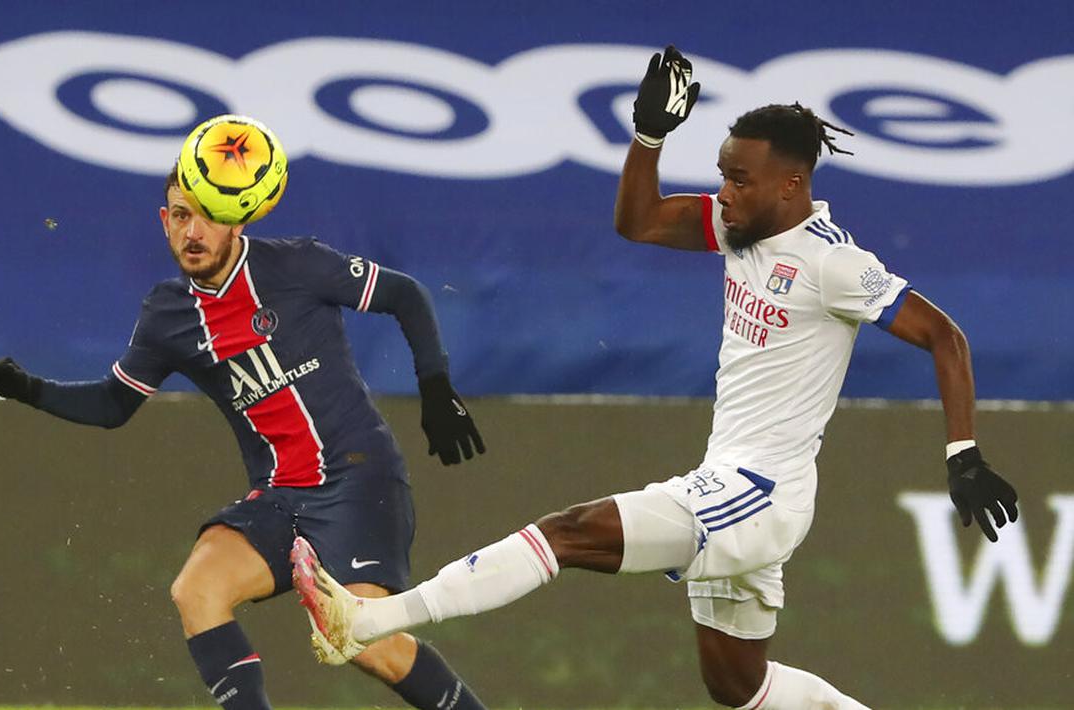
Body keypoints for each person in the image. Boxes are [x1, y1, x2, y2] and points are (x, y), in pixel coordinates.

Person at [289, 46, 1020, 709]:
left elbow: (943, 336)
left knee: (568, 533)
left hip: (759, 494)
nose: (724, 192)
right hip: (730, 478)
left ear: (791, 183)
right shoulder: (741, 228)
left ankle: (367, 620)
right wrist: (647, 136)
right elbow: (637, 221)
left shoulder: (834, 263)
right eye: (721, 175)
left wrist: (963, 455)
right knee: (738, 687)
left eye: (739, 178)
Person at [0, 155, 489, 710]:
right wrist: (25, 388)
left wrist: (436, 389)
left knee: (363, 640)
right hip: (279, 495)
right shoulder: (168, 314)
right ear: (163, 221)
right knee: (197, 589)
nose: (193, 232)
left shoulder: (297, 264)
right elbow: (112, 404)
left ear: (237, 217)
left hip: (358, 477)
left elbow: (405, 294)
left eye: (209, 216)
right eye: (179, 216)